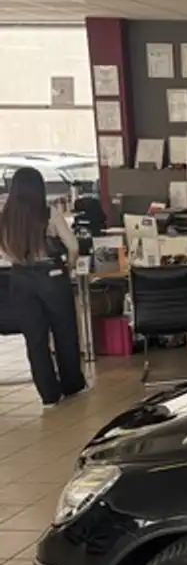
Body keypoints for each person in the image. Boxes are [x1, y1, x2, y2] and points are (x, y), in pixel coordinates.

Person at [0, 167, 86, 407]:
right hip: (51, 276)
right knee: (64, 331)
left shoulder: (4, 217)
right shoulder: (49, 213)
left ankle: (48, 393)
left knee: (35, 338)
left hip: (20, 278)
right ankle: (71, 384)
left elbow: (4, 250)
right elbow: (73, 246)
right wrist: (69, 264)